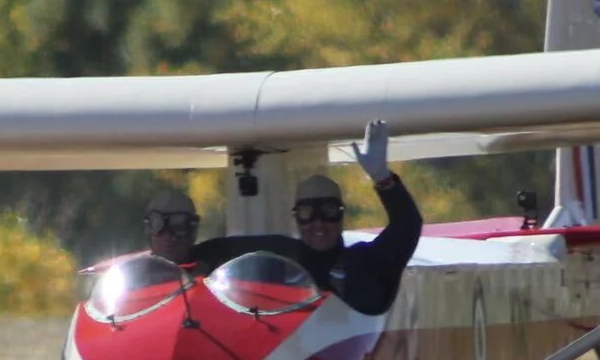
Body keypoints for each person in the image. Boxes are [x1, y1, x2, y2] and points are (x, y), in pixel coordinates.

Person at [158, 120, 423, 316]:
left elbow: (407, 226)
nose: (318, 224)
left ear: (342, 215)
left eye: (328, 212)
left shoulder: (367, 261)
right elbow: (215, 251)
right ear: (296, 218)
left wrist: (383, 178)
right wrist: (171, 243)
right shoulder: (279, 256)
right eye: (307, 214)